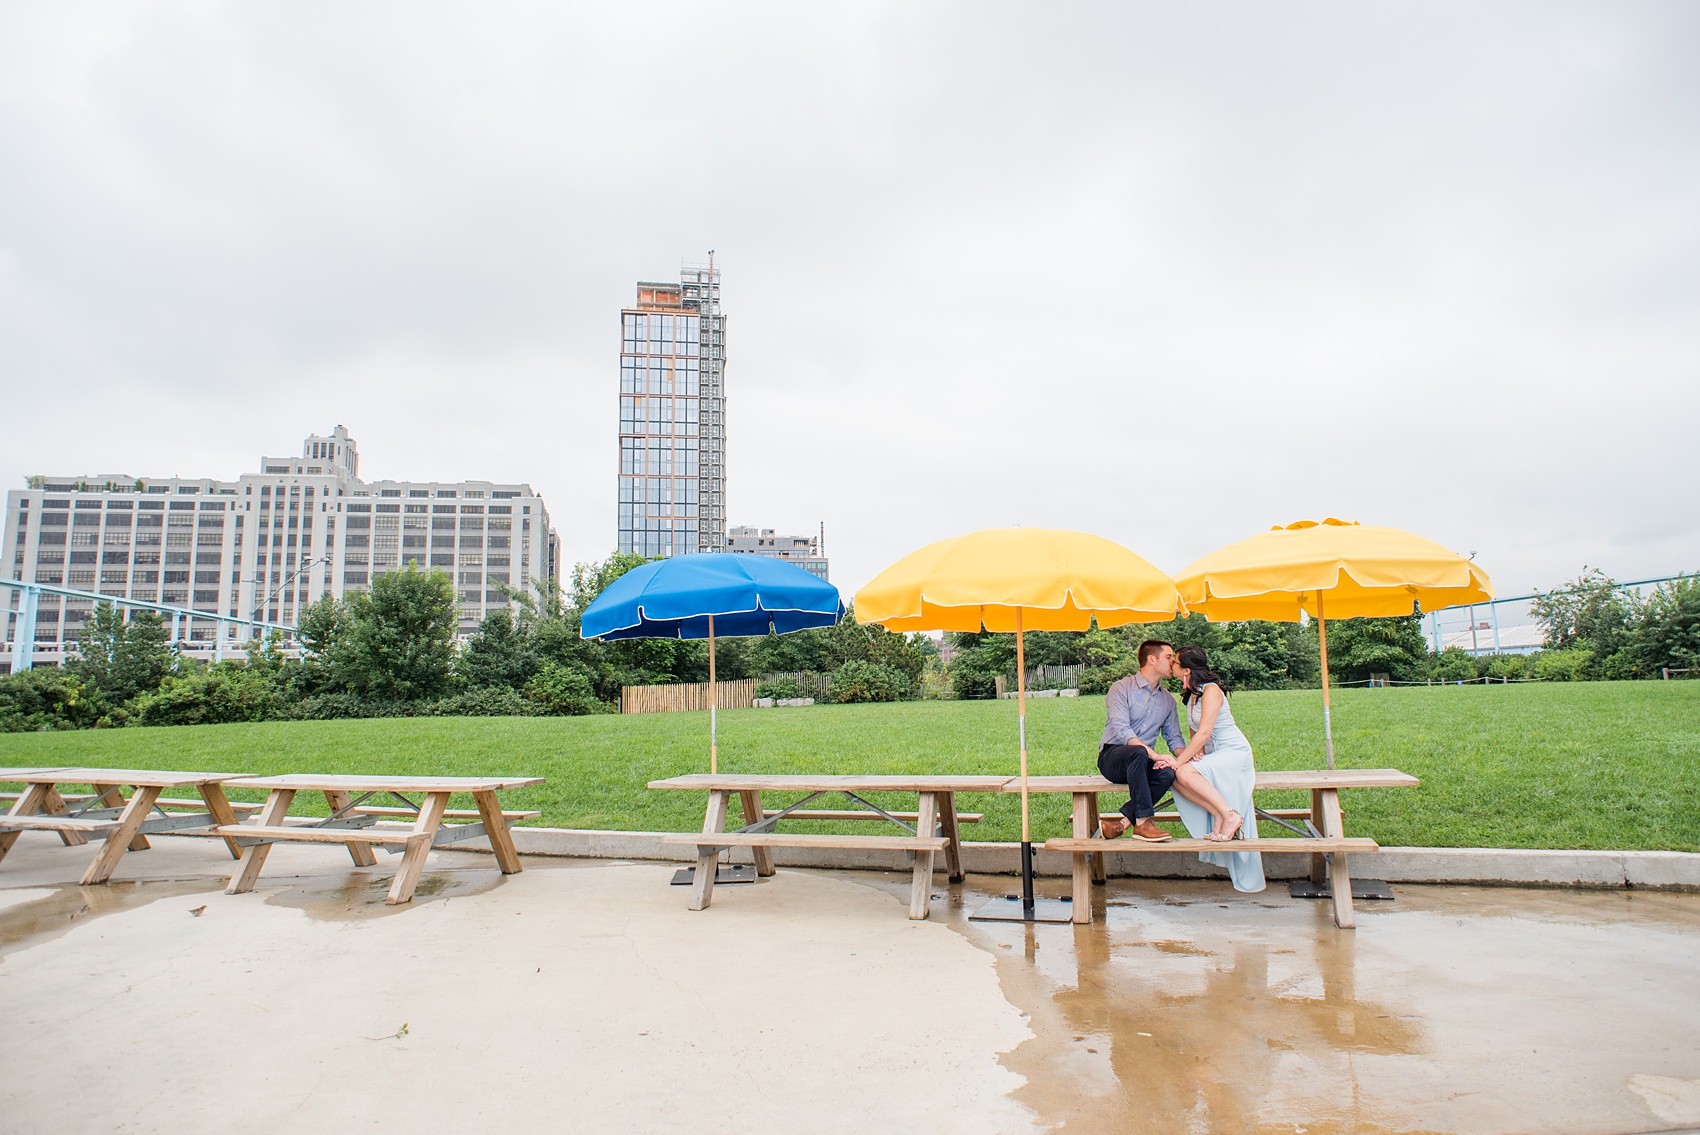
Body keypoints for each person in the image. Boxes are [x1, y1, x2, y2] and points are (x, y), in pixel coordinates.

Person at [1157, 644, 1266, 893]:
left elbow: (1205, 733)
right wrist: (1194, 757)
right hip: (1215, 754)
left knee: (1181, 771)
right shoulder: (1191, 695)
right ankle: (1217, 813)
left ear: (1186, 669)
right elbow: (1197, 739)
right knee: (1174, 777)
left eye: (1175, 662)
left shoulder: (1212, 691)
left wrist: (1178, 760)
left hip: (1233, 752)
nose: (1171, 665)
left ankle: (1229, 815)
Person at [1097, 640, 1187, 842]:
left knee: (1167, 772)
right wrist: (1153, 754)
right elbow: (1122, 731)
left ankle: (1122, 824)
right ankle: (1143, 822)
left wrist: (1188, 757)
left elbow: (1174, 739)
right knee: (1139, 752)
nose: (1173, 662)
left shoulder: (1168, 701)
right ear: (1152, 659)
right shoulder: (1120, 688)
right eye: (1169, 656)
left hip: (1142, 762)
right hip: (1113, 758)